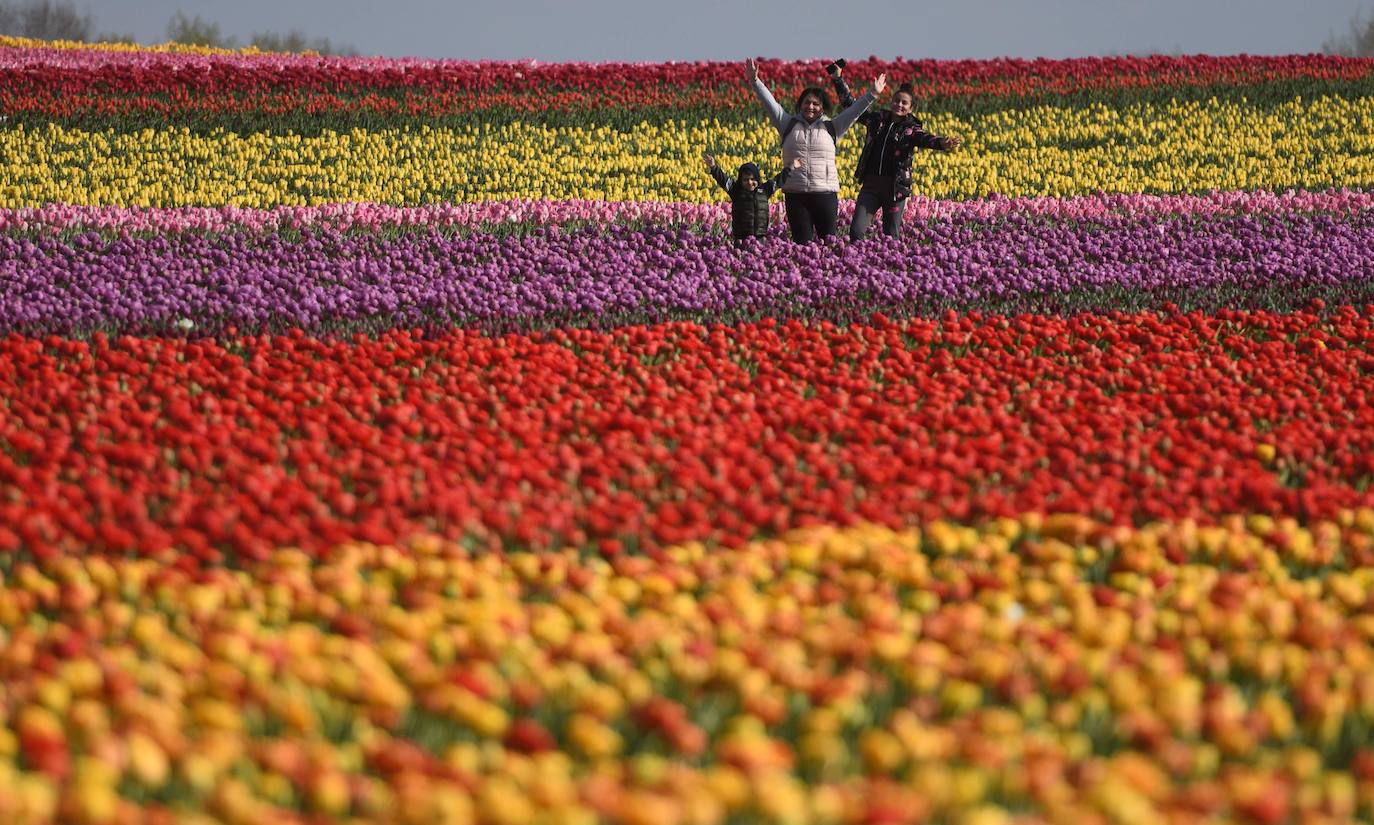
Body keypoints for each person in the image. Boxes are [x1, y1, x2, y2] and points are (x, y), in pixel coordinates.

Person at [745, 57, 883, 243]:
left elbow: (854, 112)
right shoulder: (787, 123)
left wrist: (872, 94)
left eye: (815, 104)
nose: (810, 106)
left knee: (829, 243)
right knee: (801, 245)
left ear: (822, 108)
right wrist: (755, 81)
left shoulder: (833, 127)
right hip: (796, 195)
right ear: (800, 105)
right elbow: (770, 103)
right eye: (807, 103)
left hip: (825, 194)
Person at [827, 59, 962, 240]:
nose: (899, 105)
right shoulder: (877, 120)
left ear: (910, 108)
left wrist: (941, 143)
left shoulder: (911, 130)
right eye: (897, 100)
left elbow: (926, 139)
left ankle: (889, 265)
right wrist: (838, 79)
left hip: (895, 188)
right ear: (891, 101)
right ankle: (856, 263)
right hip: (871, 185)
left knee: (891, 235)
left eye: (904, 103)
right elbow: (852, 107)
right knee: (857, 231)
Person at [704, 154, 803, 241]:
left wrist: (791, 167)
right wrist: (713, 167)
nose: (750, 183)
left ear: (757, 179)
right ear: (740, 180)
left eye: (753, 179)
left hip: (760, 236)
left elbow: (779, 179)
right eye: (745, 180)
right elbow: (723, 179)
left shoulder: (764, 190)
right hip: (742, 238)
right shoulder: (736, 191)